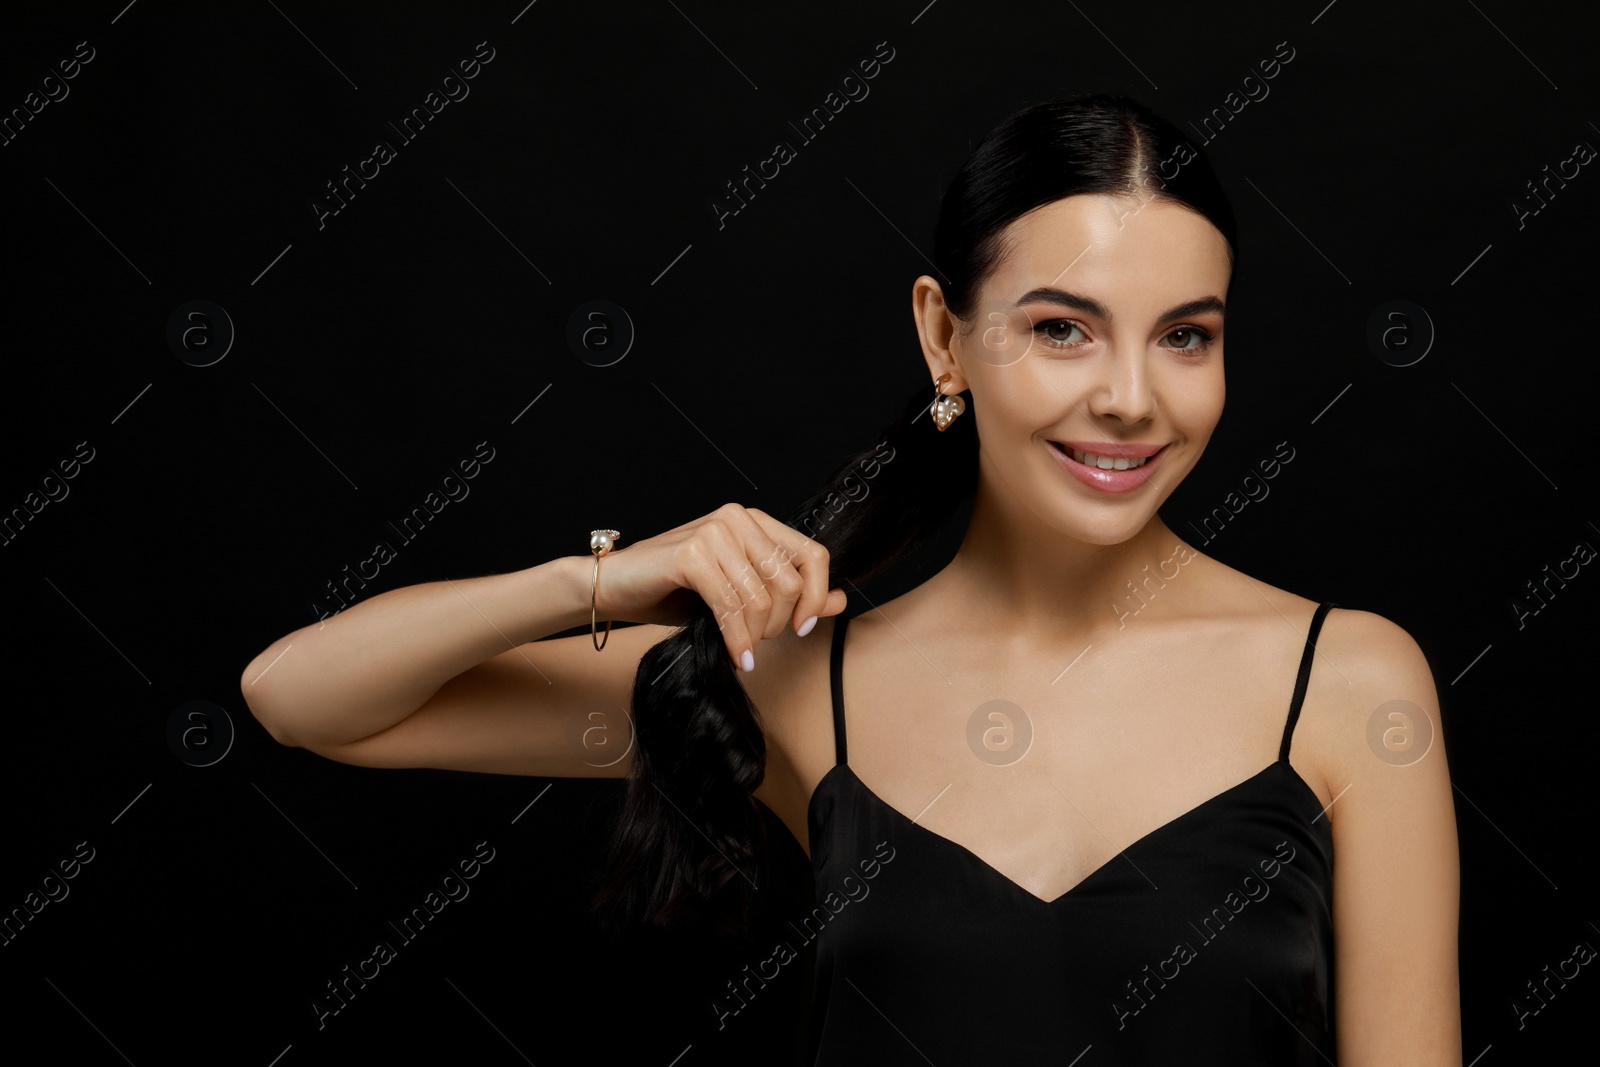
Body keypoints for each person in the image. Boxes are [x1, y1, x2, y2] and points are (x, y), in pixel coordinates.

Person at [241, 93, 1461, 1064]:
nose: (1131, 397)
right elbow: (304, 697)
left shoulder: (1347, 679)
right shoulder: (796, 678)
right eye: (1061, 328)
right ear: (945, 335)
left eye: (1184, 335)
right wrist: (604, 576)